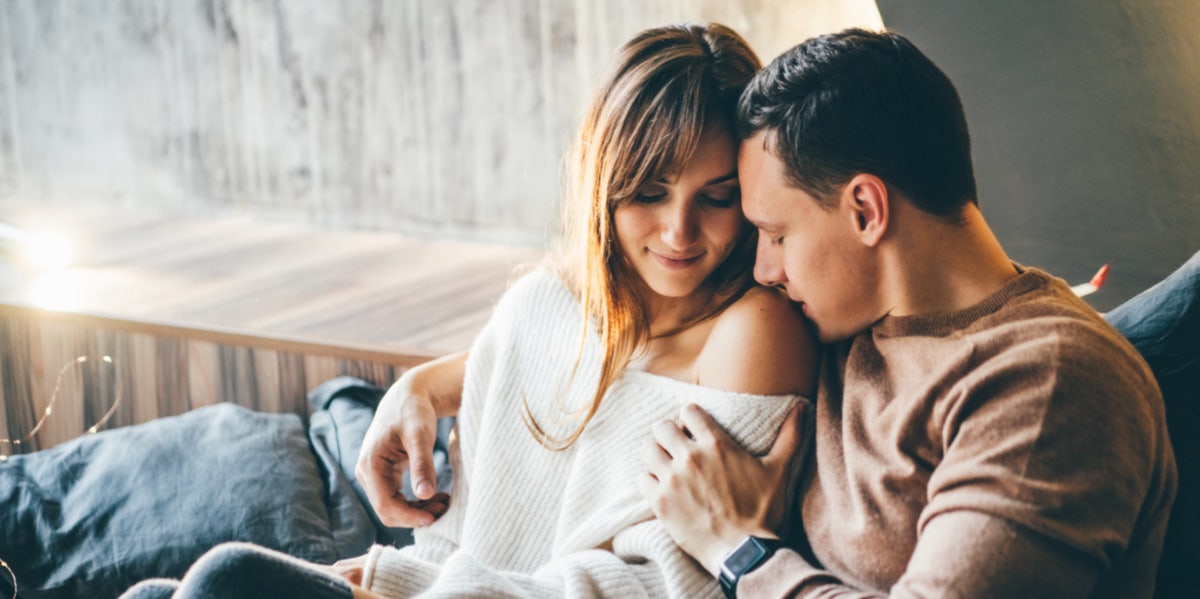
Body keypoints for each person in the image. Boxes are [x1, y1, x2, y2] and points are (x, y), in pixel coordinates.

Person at [121, 22, 817, 599]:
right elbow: (457, 543)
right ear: (602, 182)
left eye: (717, 196)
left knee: (224, 576)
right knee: (153, 594)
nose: (678, 231)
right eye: (648, 190)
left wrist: (403, 585)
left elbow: (672, 581)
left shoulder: (752, 333)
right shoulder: (540, 310)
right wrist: (396, 571)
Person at [636, 28, 1178, 598]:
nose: (764, 269)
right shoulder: (841, 319)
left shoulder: (1052, 383)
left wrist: (738, 549)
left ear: (866, 210)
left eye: (776, 235)